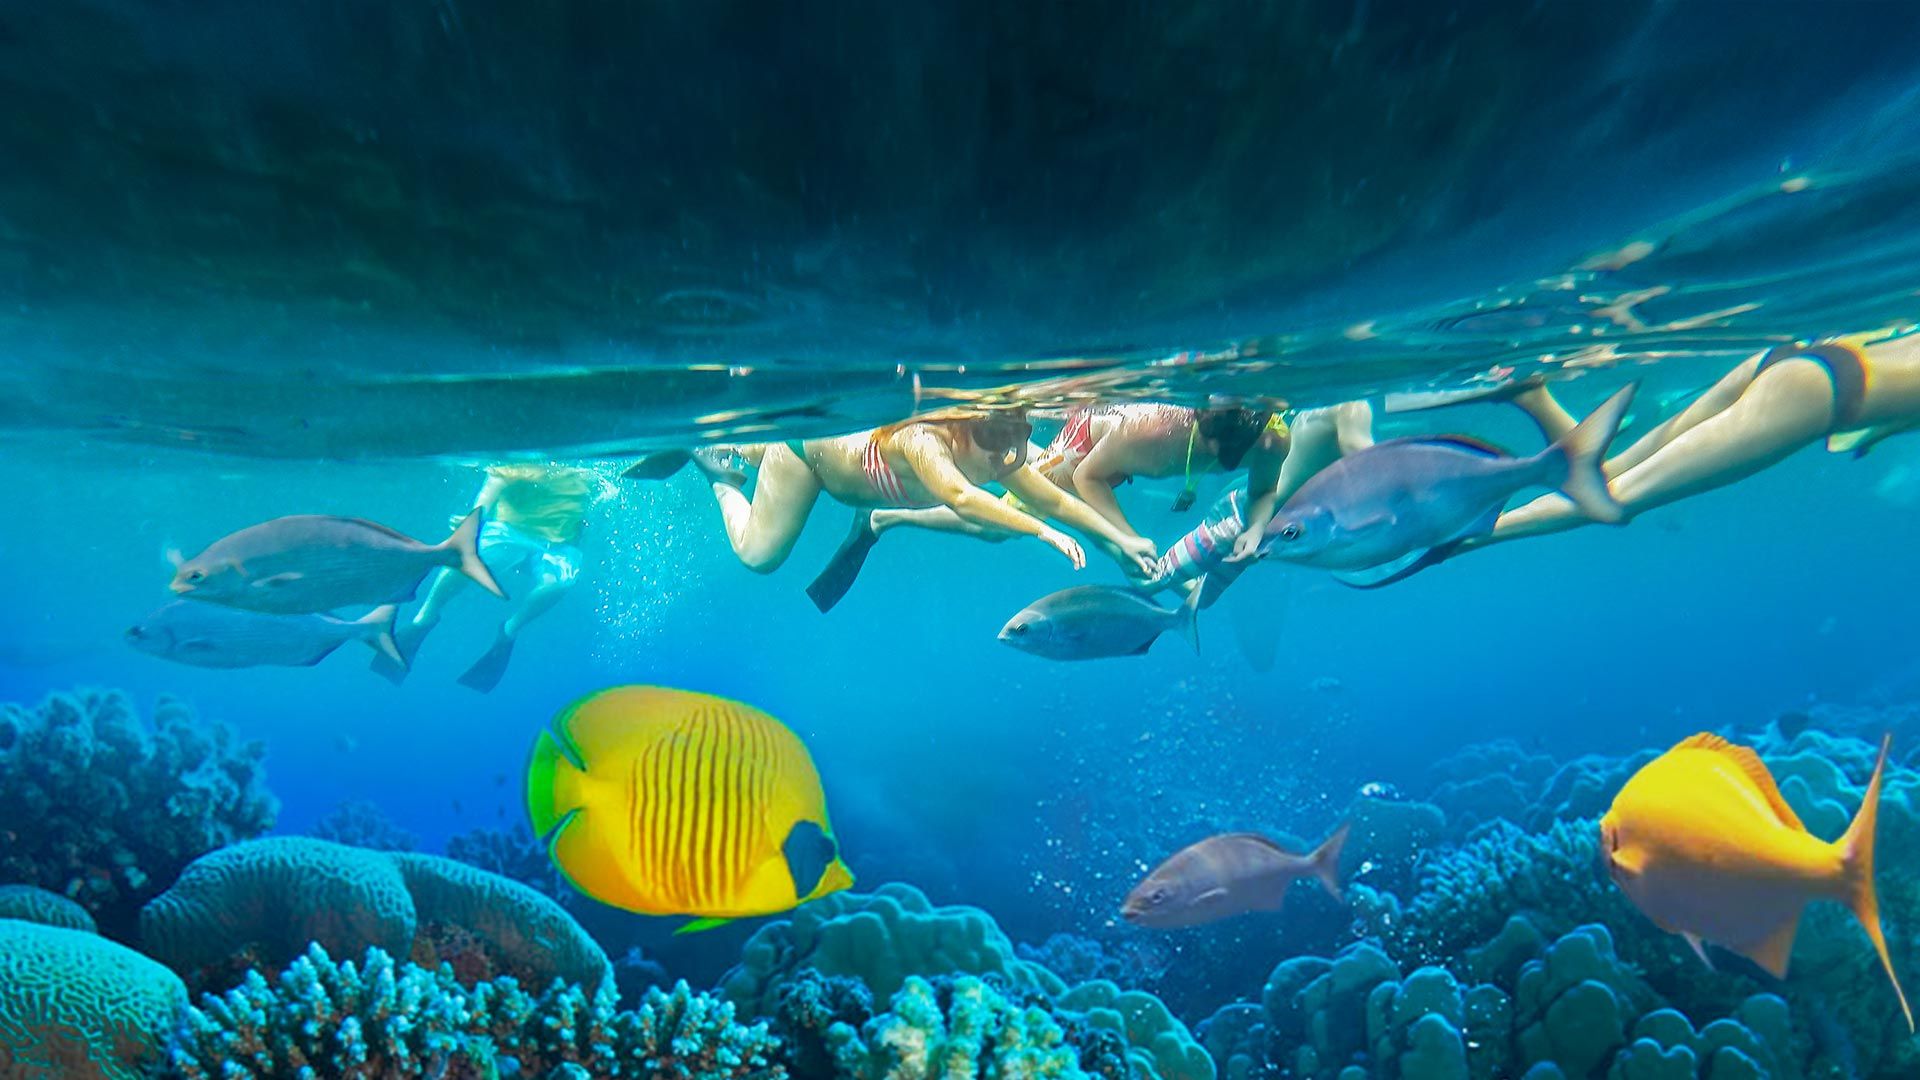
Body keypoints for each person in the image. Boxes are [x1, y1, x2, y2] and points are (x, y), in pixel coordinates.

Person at [1452, 327, 1920, 551]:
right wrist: (1872, 433)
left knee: (1605, 470)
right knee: (1617, 497)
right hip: (1822, 397)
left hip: (1804, 354)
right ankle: (1457, 540)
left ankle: (1534, 398)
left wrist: (1875, 432)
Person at [804, 401, 1284, 610]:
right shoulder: (1153, 432)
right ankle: (884, 516)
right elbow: (1082, 478)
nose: (1204, 454)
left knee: (1114, 543)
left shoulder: (1271, 441)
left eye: (1214, 453)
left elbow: (1264, 491)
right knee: (997, 527)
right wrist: (1122, 539)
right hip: (1081, 447)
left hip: (1102, 459)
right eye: (1201, 444)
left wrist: (1257, 527)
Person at [628, 409, 1160, 589]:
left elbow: (1057, 500)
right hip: (805, 458)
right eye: (1002, 439)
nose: (1012, 454)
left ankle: (725, 445)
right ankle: (714, 473)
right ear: (974, 420)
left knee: (747, 445)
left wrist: (1119, 542)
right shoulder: (923, 439)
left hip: (826, 443)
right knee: (758, 556)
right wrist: (1042, 532)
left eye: (1019, 437)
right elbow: (960, 497)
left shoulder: (1000, 446)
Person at [376, 463, 608, 693]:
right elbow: (490, 491)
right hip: (509, 532)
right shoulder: (518, 463)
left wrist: (605, 494)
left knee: (560, 583)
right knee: (465, 557)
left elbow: (598, 492)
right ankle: (426, 615)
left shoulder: (585, 469)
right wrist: (472, 519)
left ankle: (509, 630)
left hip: (558, 545)